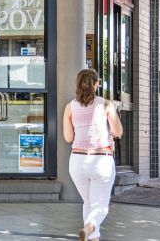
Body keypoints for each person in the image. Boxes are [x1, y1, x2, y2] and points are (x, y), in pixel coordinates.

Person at [64, 68, 123, 241]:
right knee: (100, 206)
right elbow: (118, 132)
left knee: (89, 203)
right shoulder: (105, 104)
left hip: (77, 161)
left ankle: (91, 236)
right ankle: (89, 227)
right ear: (96, 84)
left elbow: (68, 138)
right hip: (101, 160)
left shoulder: (70, 107)